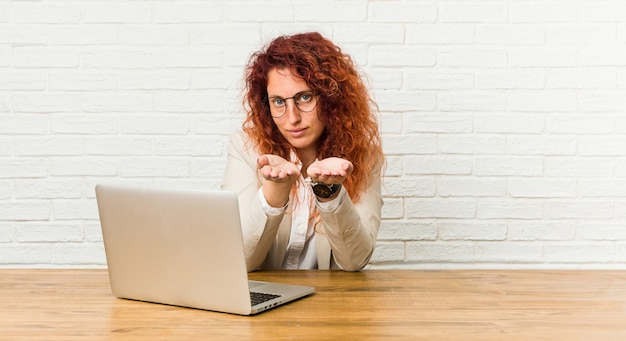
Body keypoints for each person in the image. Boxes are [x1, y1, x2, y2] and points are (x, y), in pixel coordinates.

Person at [221, 32, 384, 272]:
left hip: (327, 304)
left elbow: (354, 262)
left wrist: (330, 194)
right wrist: (274, 192)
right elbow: (239, 260)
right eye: (278, 101)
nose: (292, 118)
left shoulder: (362, 154)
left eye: (305, 97)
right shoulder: (246, 147)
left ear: (331, 97)